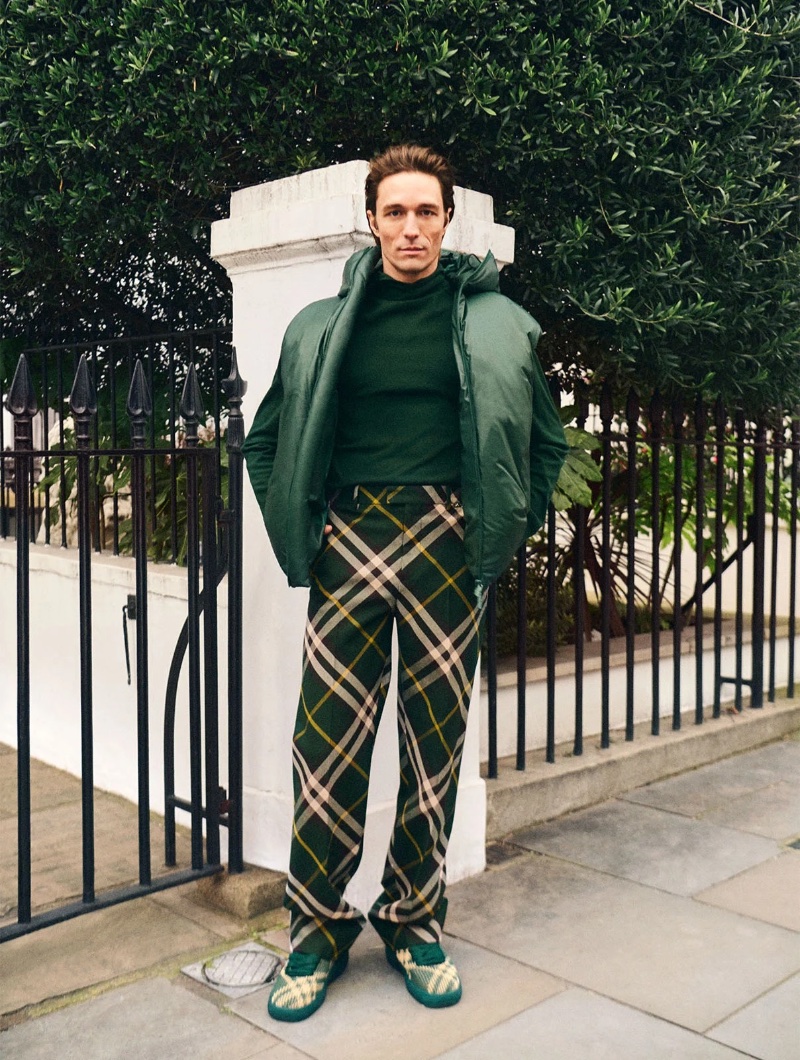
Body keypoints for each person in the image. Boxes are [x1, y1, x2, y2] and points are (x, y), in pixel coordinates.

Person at [242, 144, 568, 1021]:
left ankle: (414, 919)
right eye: (396, 212)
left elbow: (545, 447)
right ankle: (316, 930)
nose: (412, 228)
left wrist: (493, 530)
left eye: (427, 212)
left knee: (435, 748)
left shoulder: (501, 322)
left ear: (446, 218)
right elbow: (266, 439)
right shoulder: (320, 323)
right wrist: (301, 537)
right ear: (373, 219)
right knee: (328, 746)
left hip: (447, 548)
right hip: (350, 539)